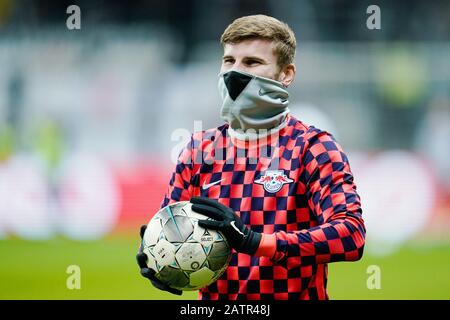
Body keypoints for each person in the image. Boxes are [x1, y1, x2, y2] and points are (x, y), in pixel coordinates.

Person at [137, 14, 366, 300]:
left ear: (286, 74)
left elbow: (350, 235)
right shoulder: (197, 150)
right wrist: (158, 256)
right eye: (229, 61)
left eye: (252, 62)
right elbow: (172, 226)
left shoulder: (313, 148)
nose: (235, 72)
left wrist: (255, 242)